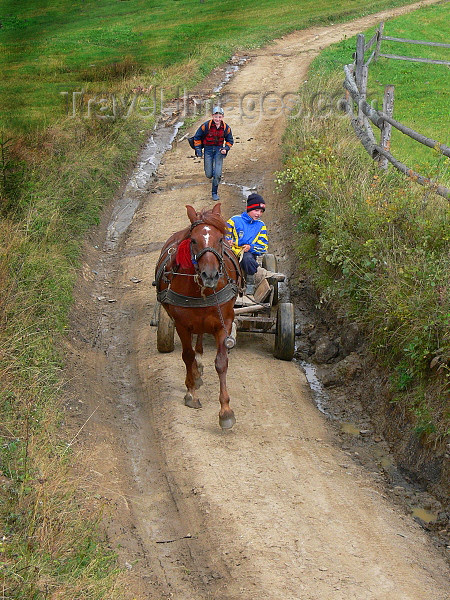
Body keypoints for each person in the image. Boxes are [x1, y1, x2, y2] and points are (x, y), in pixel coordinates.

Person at [226, 193, 269, 294]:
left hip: (246, 253)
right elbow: (223, 233)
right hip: (231, 251)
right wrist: (227, 241)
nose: (258, 214)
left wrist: (251, 247)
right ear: (249, 209)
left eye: (261, 211)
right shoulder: (234, 220)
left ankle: (250, 283)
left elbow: (263, 246)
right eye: (256, 210)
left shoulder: (261, 225)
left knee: (248, 258)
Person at [193, 106, 233, 201]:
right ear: (212, 116)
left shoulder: (226, 128)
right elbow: (197, 137)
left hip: (219, 150)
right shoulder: (205, 126)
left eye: (219, 117)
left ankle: (214, 192)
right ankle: (213, 176)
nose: (217, 119)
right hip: (208, 150)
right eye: (216, 117)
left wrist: (226, 148)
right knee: (209, 174)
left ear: (222, 117)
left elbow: (230, 140)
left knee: (217, 174)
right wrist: (198, 150)